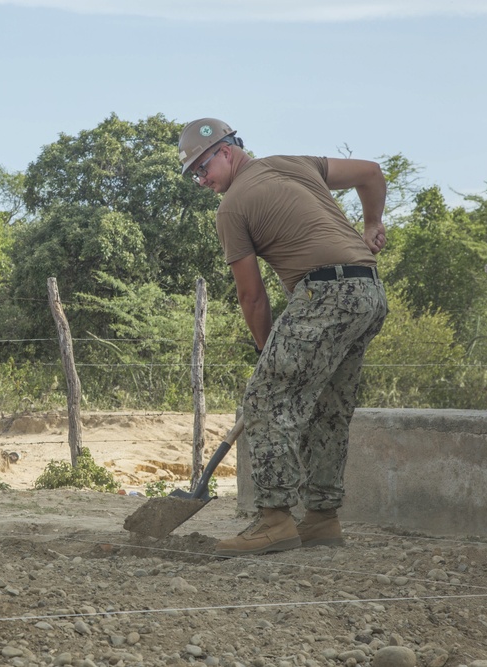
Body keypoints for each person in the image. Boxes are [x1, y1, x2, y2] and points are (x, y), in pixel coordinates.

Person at [178, 119, 389, 557]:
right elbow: (371, 172)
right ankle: (321, 519)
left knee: (265, 400)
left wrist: (265, 352)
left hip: (325, 296)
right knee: (327, 408)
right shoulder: (297, 164)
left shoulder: (232, 207)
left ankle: (274, 520)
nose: (201, 180)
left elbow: (251, 296)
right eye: (195, 174)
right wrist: (372, 225)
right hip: (367, 290)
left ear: (228, 150)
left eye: (203, 167)